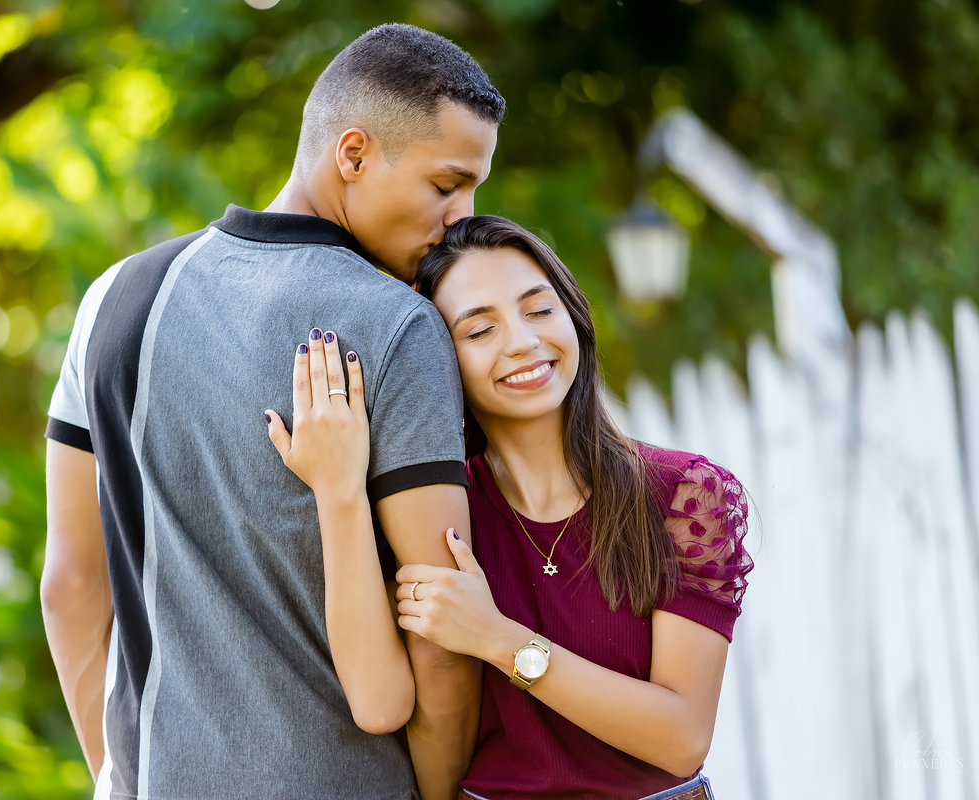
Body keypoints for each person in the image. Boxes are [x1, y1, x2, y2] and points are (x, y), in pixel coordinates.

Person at [41, 24, 503, 800]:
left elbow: (71, 585)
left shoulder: (113, 299)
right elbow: (442, 638)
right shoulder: (398, 326)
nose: (462, 217)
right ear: (352, 155)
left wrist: (123, 778)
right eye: (446, 185)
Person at [268, 215, 753, 800]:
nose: (522, 341)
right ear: (437, 361)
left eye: (540, 310)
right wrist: (338, 490)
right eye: (480, 330)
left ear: (573, 316)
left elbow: (681, 737)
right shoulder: (438, 515)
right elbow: (377, 703)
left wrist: (499, 639)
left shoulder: (682, 495)